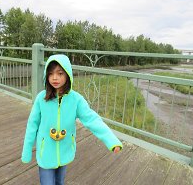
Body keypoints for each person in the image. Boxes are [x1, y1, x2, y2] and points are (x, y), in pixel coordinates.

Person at [21, 54, 123, 185]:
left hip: (65, 150)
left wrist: (112, 141)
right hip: (45, 152)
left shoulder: (76, 99)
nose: (55, 78)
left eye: (60, 73)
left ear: (68, 74)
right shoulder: (41, 98)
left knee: (60, 182)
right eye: (50, 73)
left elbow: (92, 119)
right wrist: (26, 151)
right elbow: (32, 125)